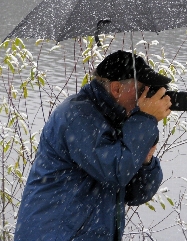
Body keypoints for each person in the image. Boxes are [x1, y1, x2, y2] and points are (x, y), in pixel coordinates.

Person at [14, 50, 172, 241]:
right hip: (55, 235)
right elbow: (116, 170)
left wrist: (146, 160)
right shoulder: (78, 115)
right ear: (116, 89)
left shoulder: (116, 120)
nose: (146, 97)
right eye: (142, 90)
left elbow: (136, 194)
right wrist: (145, 121)